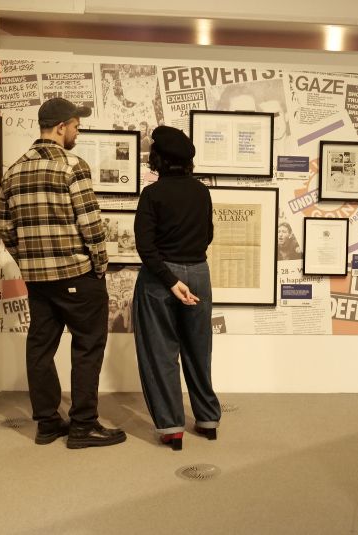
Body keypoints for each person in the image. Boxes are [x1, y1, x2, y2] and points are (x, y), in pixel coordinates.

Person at [0, 97, 125, 449]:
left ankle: (47, 423)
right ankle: (83, 425)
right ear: (60, 127)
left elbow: (5, 228)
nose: (77, 132)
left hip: (38, 280)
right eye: (75, 126)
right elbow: (91, 225)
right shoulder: (72, 166)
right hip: (77, 275)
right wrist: (99, 265)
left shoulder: (14, 170)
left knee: (40, 347)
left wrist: (28, 262)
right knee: (87, 346)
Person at [132, 125, 221, 451]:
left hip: (160, 279)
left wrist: (171, 280)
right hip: (198, 273)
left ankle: (172, 428)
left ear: (158, 159)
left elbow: (146, 246)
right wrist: (186, 272)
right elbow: (207, 235)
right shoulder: (201, 192)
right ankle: (208, 419)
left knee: (160, 353)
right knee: (199, 349)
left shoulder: (152, 195)